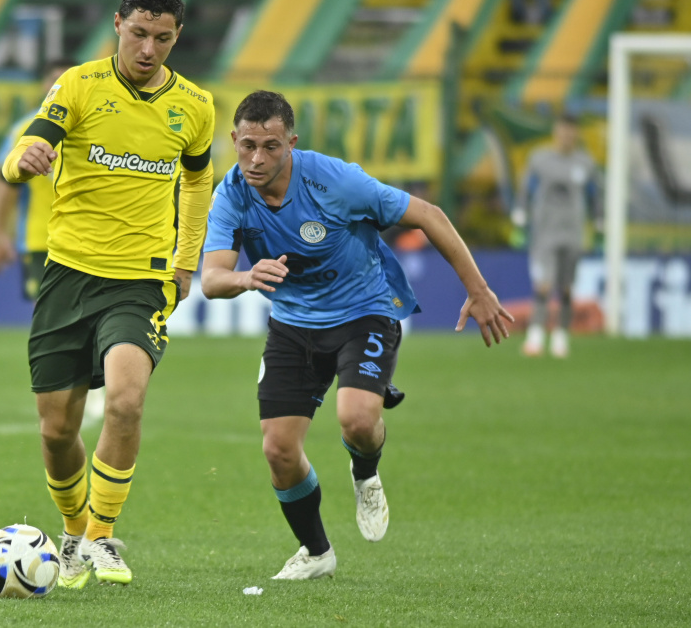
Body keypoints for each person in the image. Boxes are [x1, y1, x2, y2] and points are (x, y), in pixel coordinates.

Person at [201, 91, 512, 580]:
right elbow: (212, 278)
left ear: (291, 143)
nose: (257, 159)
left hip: (364, 311)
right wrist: (244, 277)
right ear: (234, 141)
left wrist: (478, 289)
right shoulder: (231, 193)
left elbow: (428, 214)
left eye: (270, 146)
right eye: (247, 146)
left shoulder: (335, 180)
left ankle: (365, 472)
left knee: (357, 420)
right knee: (278, 450)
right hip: (292, 325)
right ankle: (317, 552)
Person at [0, 0, 215, 588]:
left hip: (139, 281)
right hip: (67, 274)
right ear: (118, 24)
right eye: (140, 34)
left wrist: (186, 259)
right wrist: (23, 162)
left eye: (163, 39)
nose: (149, 50)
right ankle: (71, 530)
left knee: (124, 399)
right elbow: (28, 146)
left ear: (176, 37)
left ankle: (101, 536)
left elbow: (198, 182)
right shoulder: (79, 84)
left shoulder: (195, 106)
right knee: (57, 429)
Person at [0, 58, 106, 427]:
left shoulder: (97, 125)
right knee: (58, 318)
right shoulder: (27, 130)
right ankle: (70, 390)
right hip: (41, 241)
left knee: (95, 315)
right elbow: (0, 182)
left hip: (93, 240)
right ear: (44, 88)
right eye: (53, 82)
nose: (59, 89)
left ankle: (92, 390)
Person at [512, 113, 600, 358]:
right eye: (563, 130)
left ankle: (561, 336)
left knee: (567, 288)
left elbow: (595, 195)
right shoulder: (540, 159)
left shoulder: (586, 163)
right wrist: (520, 213)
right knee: (543, 284)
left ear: (576, 134)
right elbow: (526, 188)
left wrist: (600, 220)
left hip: (573, 233)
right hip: (545, 232)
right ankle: (536, 336)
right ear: (555, 132)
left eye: (571, 131)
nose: (566, 135)